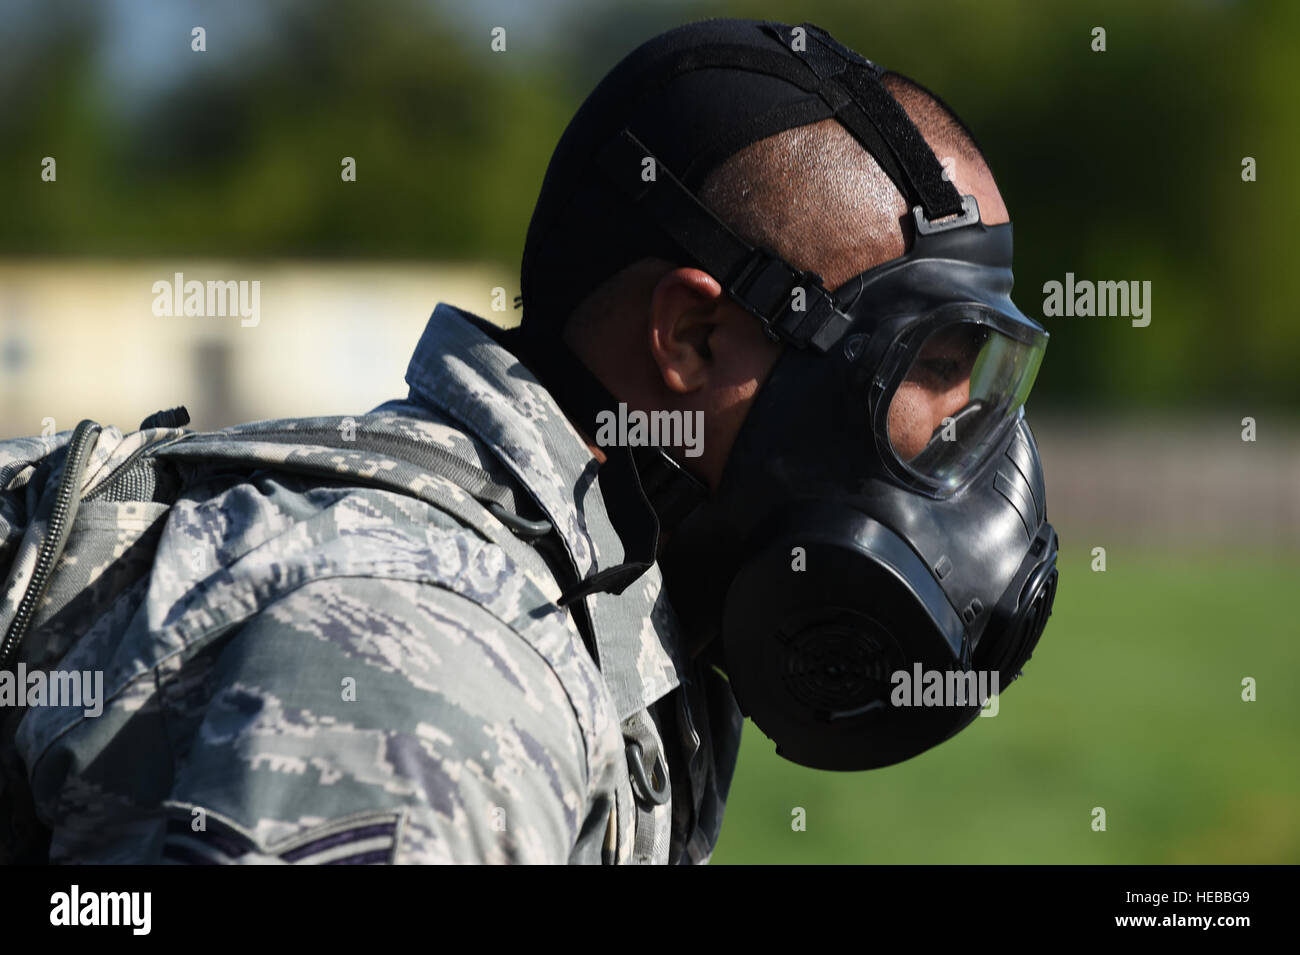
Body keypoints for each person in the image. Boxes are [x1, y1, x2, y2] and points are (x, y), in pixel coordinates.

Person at [0, 18, 1056, 864]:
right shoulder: (432, 682)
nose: (968, 436)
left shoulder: (607, 598)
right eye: (933, 362)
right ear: (691, 339)